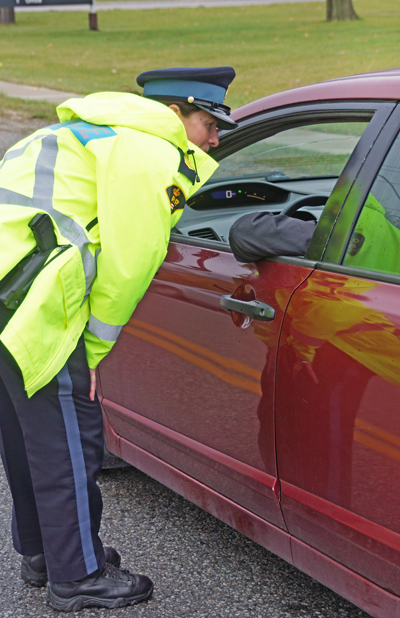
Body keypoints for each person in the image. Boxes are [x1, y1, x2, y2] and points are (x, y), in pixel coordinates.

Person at [0, 66, 237, 612]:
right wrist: (94, 353)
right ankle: (78, 575)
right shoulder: (149, 153)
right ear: (175, 114)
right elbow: (131, 262)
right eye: (208, 124)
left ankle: (45, 554)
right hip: (37, 305)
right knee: (68, 439)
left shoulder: (85, 130)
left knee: (29, 435)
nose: (215, 139)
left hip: (7, 294)